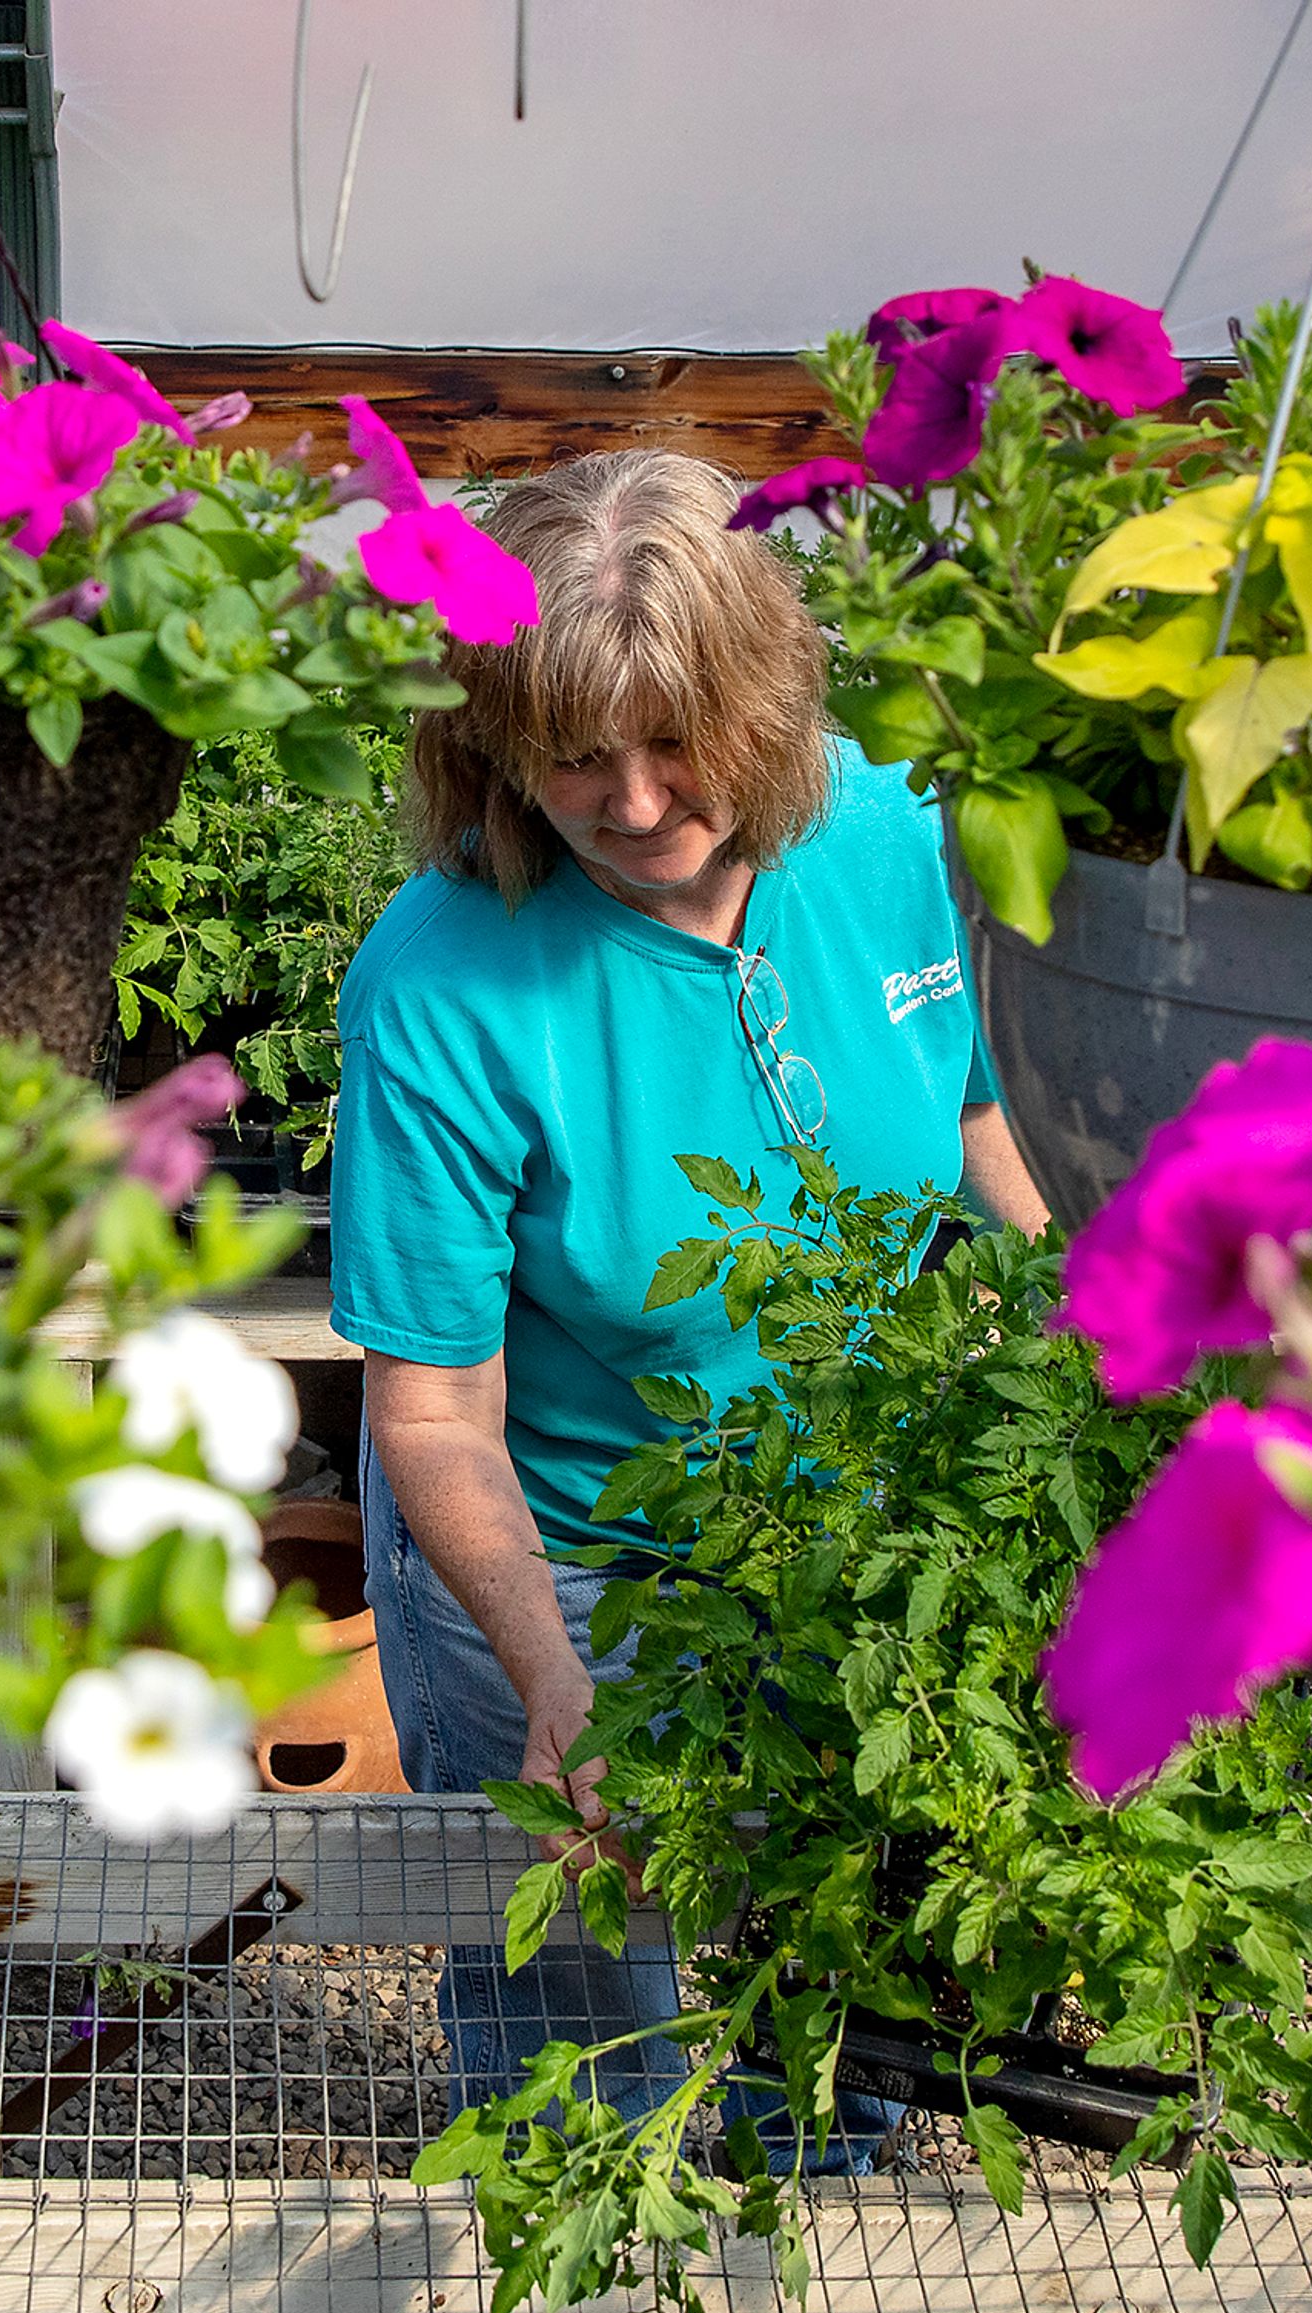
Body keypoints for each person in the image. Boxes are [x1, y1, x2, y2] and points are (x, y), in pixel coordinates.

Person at [328, 449, 1049, 2142]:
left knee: (846, 1925)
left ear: (773, 709)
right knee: (585, 1979)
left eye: (682, 745)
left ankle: (795, 2253)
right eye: (576, 755)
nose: (637, 802)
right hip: (565, 1547)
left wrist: (1073, 1331)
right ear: (492, 741)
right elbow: (433, 1412)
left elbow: (964, 1109)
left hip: (851, 1522)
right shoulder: (445, 984)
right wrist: (555, 1690)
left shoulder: (888, 838)